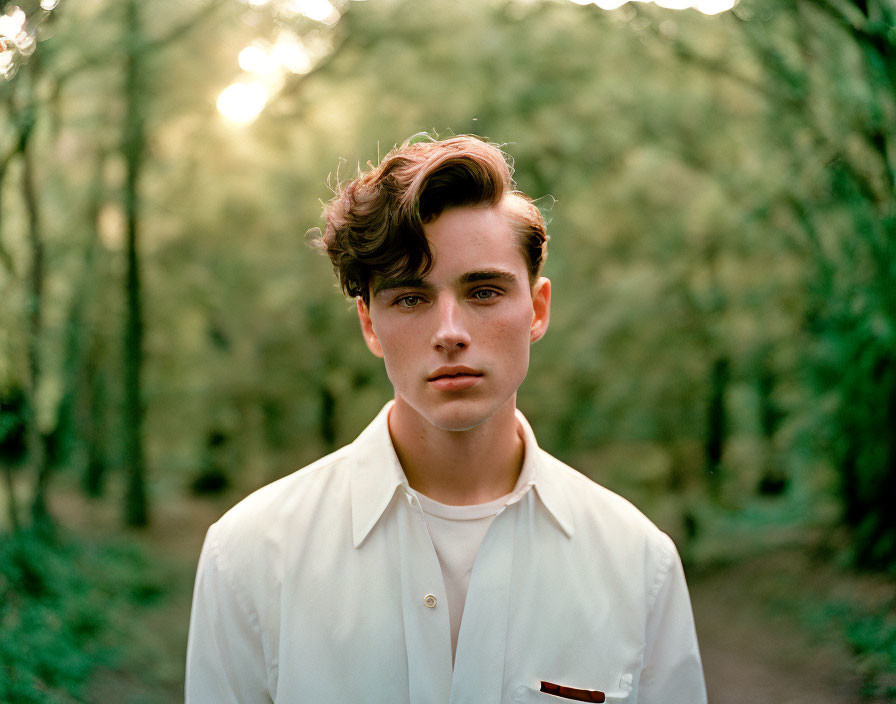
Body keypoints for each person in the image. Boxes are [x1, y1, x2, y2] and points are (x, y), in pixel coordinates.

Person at [185, 135, 707, 703]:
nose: (449, 331)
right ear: (369, 324)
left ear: (535, 309)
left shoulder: (637, 564)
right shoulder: (251, 556)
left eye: (483, 291)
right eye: (410, 298)